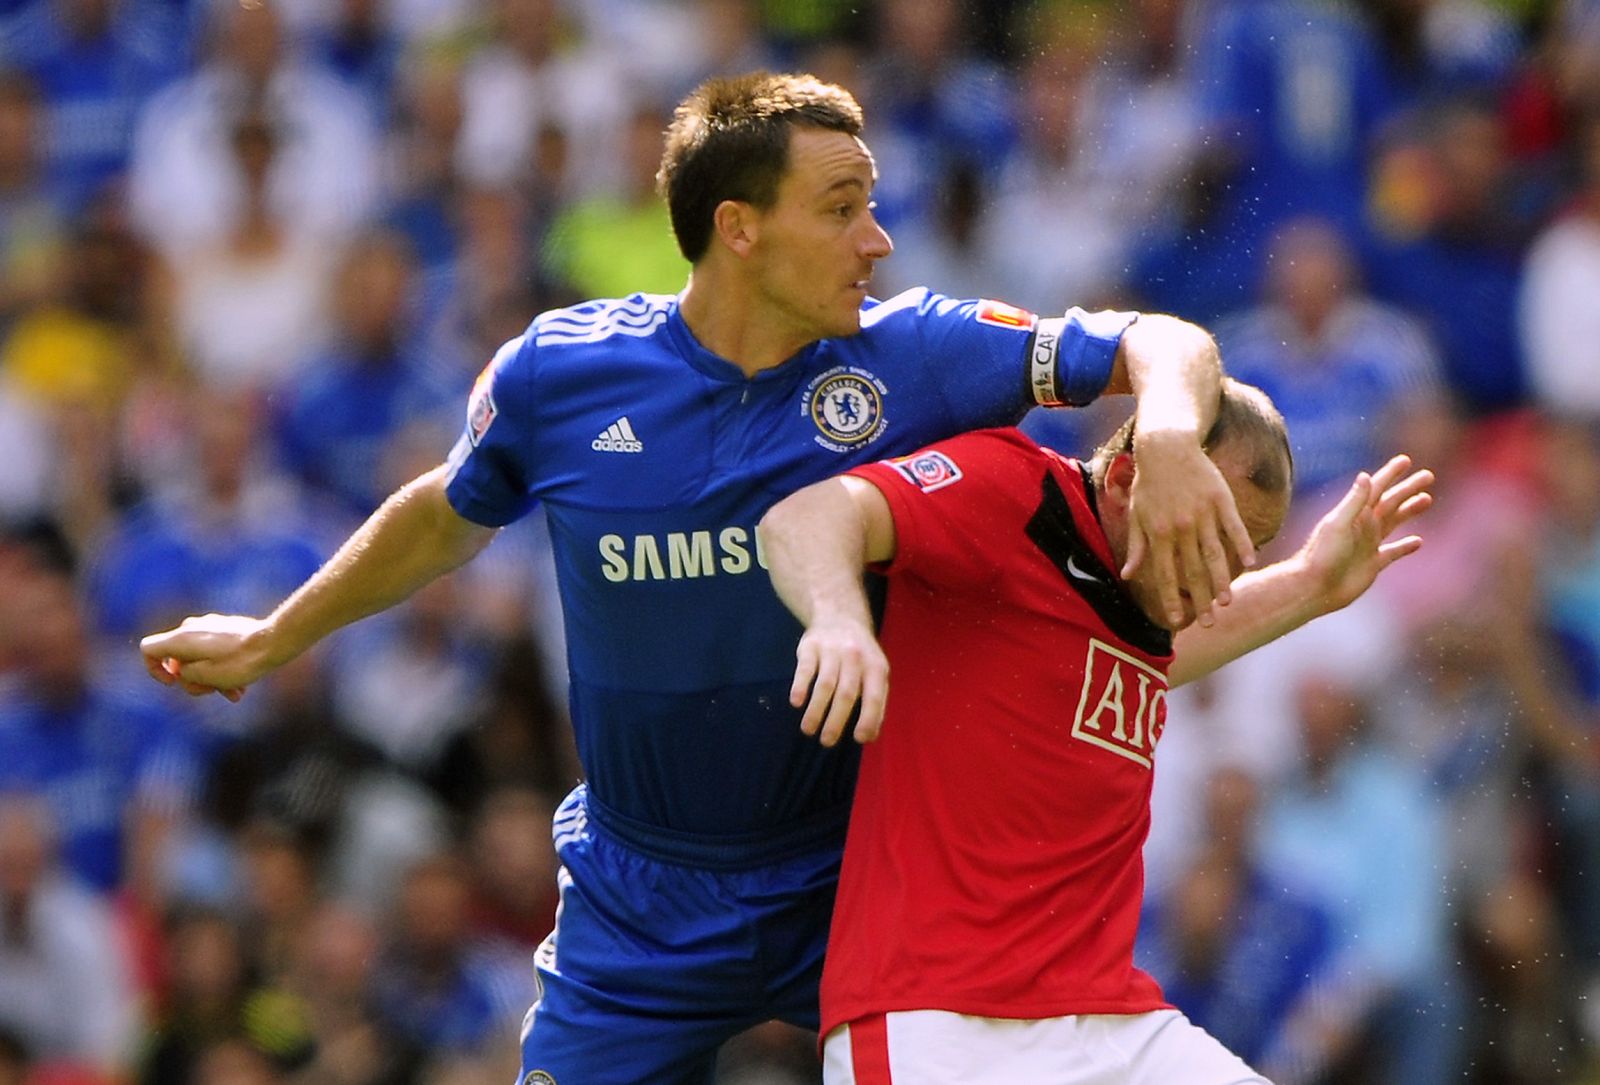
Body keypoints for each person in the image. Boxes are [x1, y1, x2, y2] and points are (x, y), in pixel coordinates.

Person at [142, 72, 1279, 1083]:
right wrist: (275, 635)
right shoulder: (561, 374)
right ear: (738, 228)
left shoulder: (918, 354)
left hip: (850, 885)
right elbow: (444, 516)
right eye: (841, 210)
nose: (876, 240)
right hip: (636, 899)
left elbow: (1160, 342)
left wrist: (1171, 436)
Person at [757, 380, 1433, 1083]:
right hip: (935, 1021)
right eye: (1212, 531)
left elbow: (1167, 652)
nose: (1224, 579)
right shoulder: (1011, 492)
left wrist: (1313, 582)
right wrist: (838, 618)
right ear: (1124, 480)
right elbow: (804, 517)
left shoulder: (1138, 613)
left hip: (1110, 1022)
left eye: (1247, 547)